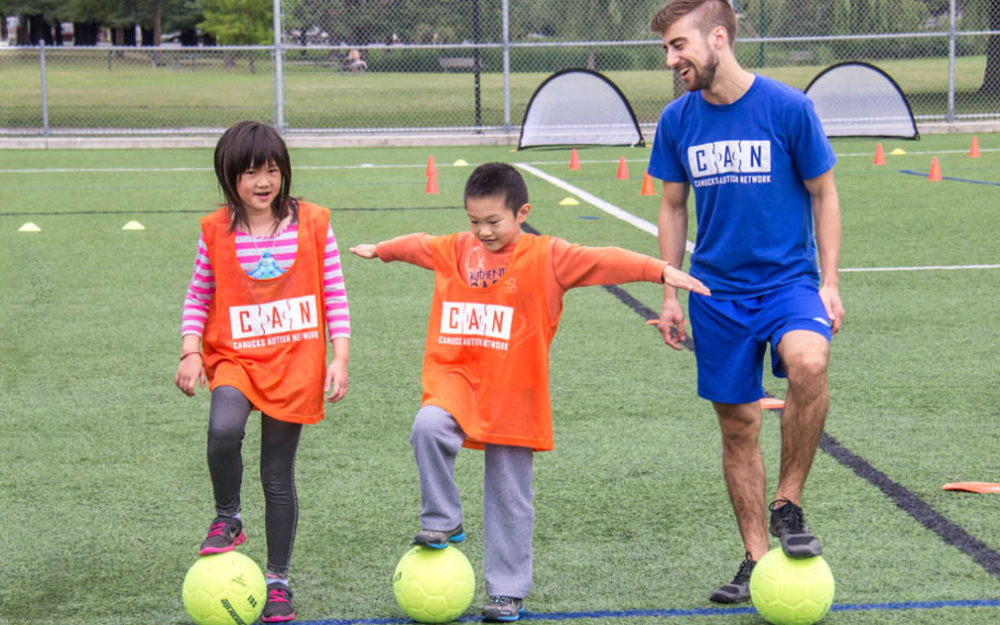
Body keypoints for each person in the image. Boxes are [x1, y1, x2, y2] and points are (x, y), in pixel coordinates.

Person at [350, 162, 709, 622]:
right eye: (473, 221)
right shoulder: (457, 249)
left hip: (515, 395)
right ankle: (443, 521)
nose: (482, 231)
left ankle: (507, 592)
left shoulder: (547, 257)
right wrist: (380, 249)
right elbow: (417, 245)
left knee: (510, 495)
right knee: (427, 427)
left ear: (522, 213)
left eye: (493, 222)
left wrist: (660, 270)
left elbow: (604, 259)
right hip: (457, 383)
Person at [646, 0, 845, 605]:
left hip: (788, 283)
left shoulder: (788, 108)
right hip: (715, 293)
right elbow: (673, 206)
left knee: (809, 361)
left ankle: (789, 501)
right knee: (739, 427)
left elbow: (825, 194)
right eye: (667, 51)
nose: (673, 60)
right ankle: (758, 563)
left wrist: (829, 281)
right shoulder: (678, 120)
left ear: (719, 38)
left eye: (680, 45)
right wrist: (671, 290)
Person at [174, 120, 351, 623]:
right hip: (236, 358)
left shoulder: (313, 223)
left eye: (271, 169)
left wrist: (339, 357)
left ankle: (277, 580)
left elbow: (334, 294)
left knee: (277, 476)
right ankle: (228, 516)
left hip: (294, 365)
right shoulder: (216, 231)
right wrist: (191, 351)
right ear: (228, 177)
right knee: (223, 430)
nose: (262, 181)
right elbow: (197, 295)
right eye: (250, 172)